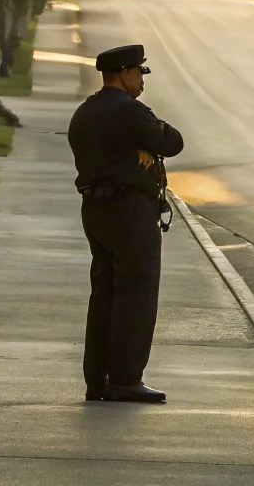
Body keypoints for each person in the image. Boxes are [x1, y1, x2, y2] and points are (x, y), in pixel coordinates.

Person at [68, 43, 184, 403]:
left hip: (96, 210)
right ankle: (125, 378)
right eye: (139, 72)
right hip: (130, 212)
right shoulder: (130, 111)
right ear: (123, 73)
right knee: (136, 295)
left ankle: (97, 380)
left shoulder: (86, 111)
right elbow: (172, 141)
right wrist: (149, 142)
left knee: (104, 294)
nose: (142, 79)